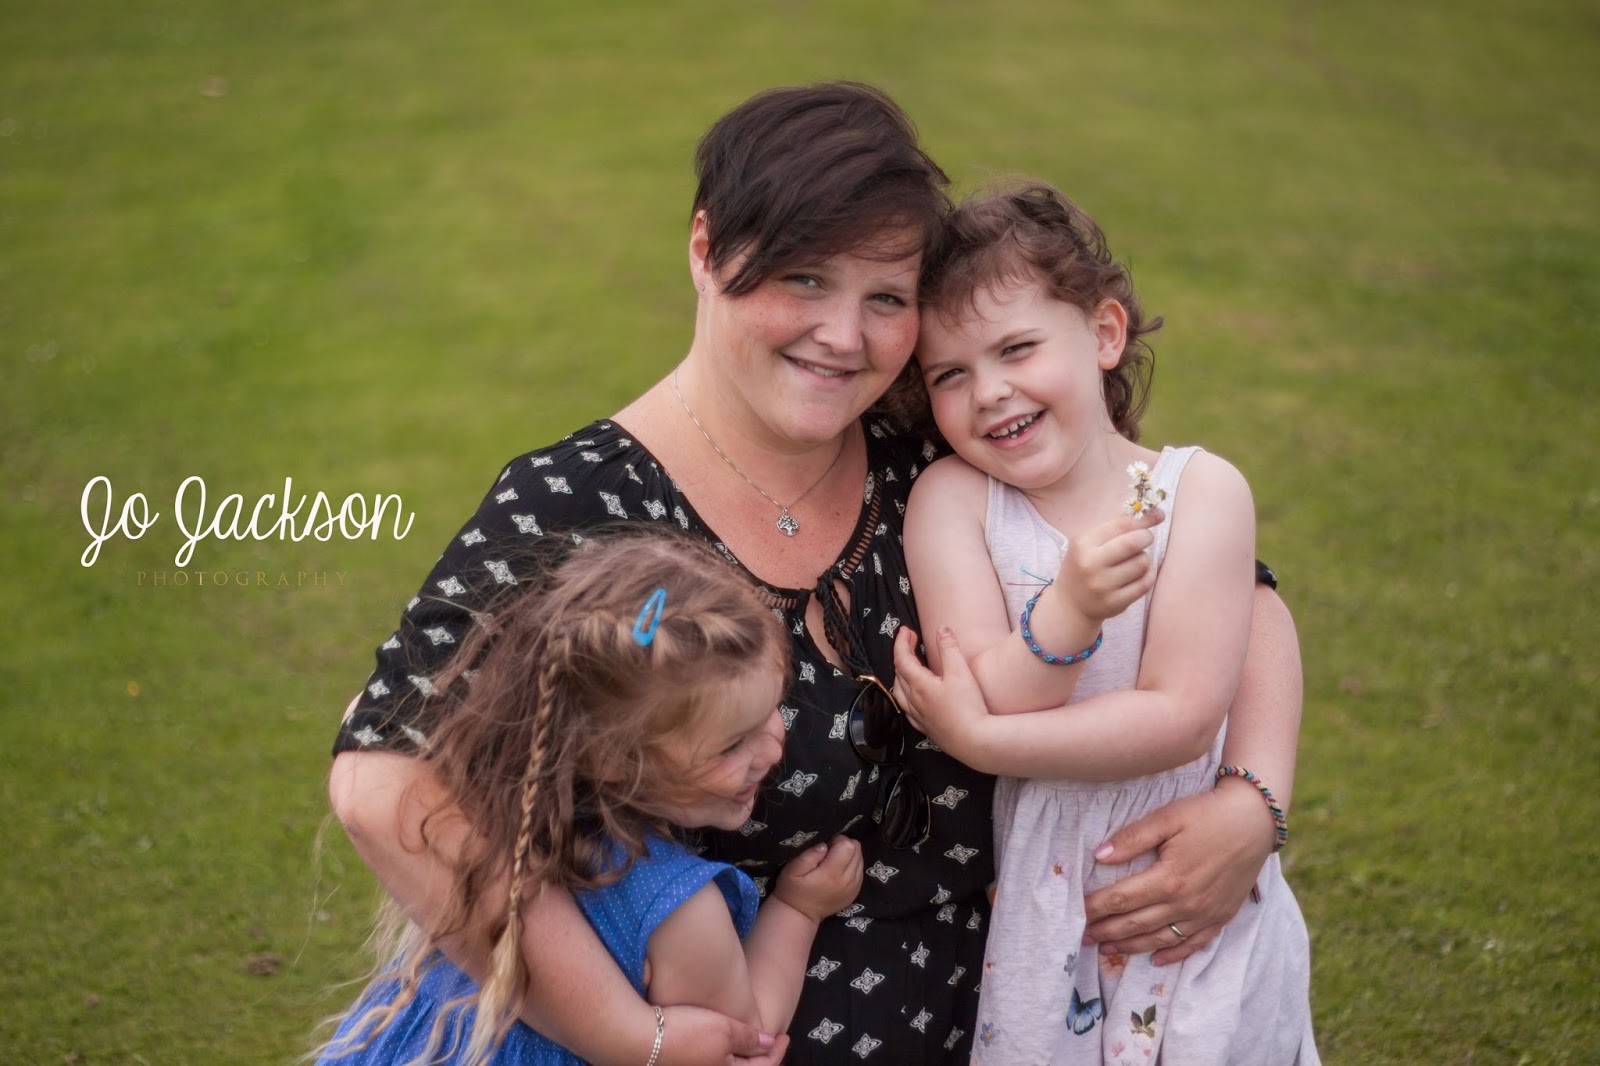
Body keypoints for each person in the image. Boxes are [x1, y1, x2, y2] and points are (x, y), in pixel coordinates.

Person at [327, 81, 1307, 1065]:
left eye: (885, 298)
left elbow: (1231, 589)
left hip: (1037, 1016)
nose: (844, 336)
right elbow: (384, 783)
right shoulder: (579, 504)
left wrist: (1250, 800)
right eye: (803, 280)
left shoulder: (934, 443)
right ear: (705, 249)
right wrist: (629, 1034)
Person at [891, 182, 1316, 1064]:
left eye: (1017, 348)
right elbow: (995, 692)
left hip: (1190, 877)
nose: (989, 392)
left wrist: (983, 743)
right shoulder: (953, 500)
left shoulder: (1199, 494)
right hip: (1046, 897)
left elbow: (1181, 717)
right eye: (950, 374)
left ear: (1105, 334)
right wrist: (1070, 610)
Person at [318, 533, 864, 1064]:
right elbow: (743, 1040)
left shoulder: (493, 810)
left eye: (772, 710)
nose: (772, 749)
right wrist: (799, 910)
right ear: (613, 760)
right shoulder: (681, 911)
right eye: (731, 745)